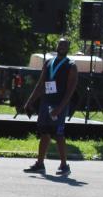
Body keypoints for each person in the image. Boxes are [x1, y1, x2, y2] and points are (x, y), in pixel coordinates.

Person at [23, 38, 78, 175]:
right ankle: (40, 164)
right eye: (60, 44)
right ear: (56, 46)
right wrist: (29, 101)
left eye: (65, 45)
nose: (62, 47)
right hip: (46, 102)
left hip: (59, 104)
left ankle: (64, 166)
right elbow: (41, 84)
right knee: (44, 133)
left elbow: (71, 90)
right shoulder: (48, 62)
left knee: (58, 134)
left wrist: (60, 108)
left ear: (68, 48)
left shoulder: (71, 66)